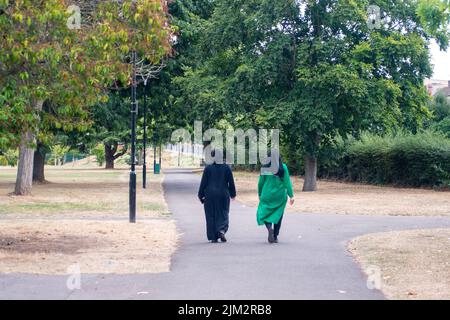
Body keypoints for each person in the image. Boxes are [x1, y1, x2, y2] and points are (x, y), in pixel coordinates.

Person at [198, 149, 236, 243]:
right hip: (223, 193)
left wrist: (200, 195)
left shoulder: (208, 168)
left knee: (210, 215)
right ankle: (221, 230)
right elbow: (231, 182)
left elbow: (203, 183)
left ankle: (213, 236)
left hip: (210, 194)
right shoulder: (226, 168)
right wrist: (233, 194)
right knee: (223, 212)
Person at [257, 149, 294, 243]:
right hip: (280, 195)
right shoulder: (283, 167)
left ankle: (269, 227)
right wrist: (291, 195)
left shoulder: (265, 168)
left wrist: (260, 194)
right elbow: (287, 182)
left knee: (263, 212)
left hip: (267, 194)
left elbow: (260, 183)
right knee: (279, 214)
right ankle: (275, 235)